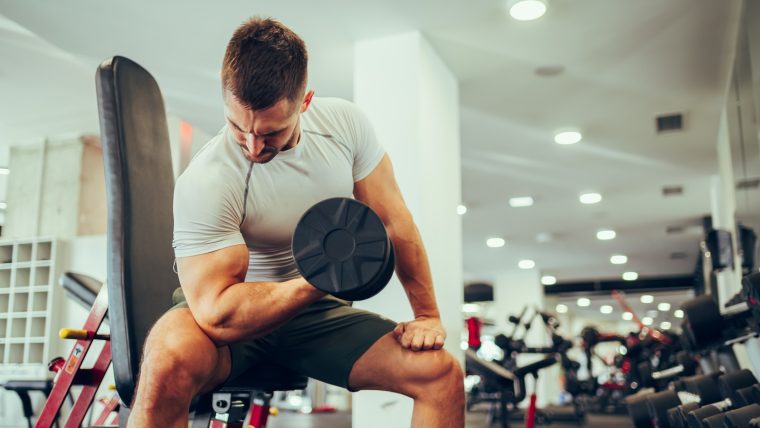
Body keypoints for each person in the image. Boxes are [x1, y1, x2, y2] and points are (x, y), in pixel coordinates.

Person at [127, 17, 464, 427]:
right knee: (165, 361)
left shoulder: (344, 126)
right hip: (231, 314)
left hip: (315, 318)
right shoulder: (207, 180)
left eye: (271, 133)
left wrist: (428, 315)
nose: (252, 146)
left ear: (304, 102)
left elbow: (394, 221)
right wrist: (319, 277)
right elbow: (218, 312)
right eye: (238, 127)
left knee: (441, 374)